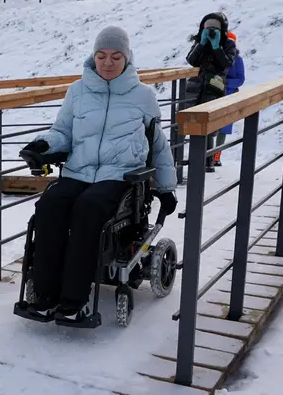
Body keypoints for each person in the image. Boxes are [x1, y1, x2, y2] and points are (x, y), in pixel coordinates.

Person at [20, 26, 178, 323]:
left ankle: (73, 301)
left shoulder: (143, 96)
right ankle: (43, 293)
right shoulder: (77, 91)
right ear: (93, 57)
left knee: (88, 209)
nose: (107, 62)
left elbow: (158, 144)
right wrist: (44, 145)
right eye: (101, 55)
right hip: (77, 172)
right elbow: (63, 133)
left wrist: (167, 188)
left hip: (118, 178)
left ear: (127, 59)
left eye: (115, 56)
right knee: (49, 206)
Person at [184, 12, 237, 172]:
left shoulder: (228, 44)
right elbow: (191, 60)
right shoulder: (199, 42)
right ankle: (191, 160)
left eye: (215, 28)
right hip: (195, 88)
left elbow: (226, 64)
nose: (211, 31)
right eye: (208, 28)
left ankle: (208, 162)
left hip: (214, 88)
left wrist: (216, 47)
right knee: (191, 122)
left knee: (209, 126)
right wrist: (202, 43)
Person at [214, 31, 246, 166]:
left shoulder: (237, 60)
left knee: (223, 129)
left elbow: (240, 79)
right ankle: (208, 156)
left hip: (227, 96)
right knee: (212, 128)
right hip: (214, 95)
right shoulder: (215, 56)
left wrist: (225, 83)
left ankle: (216, 157)